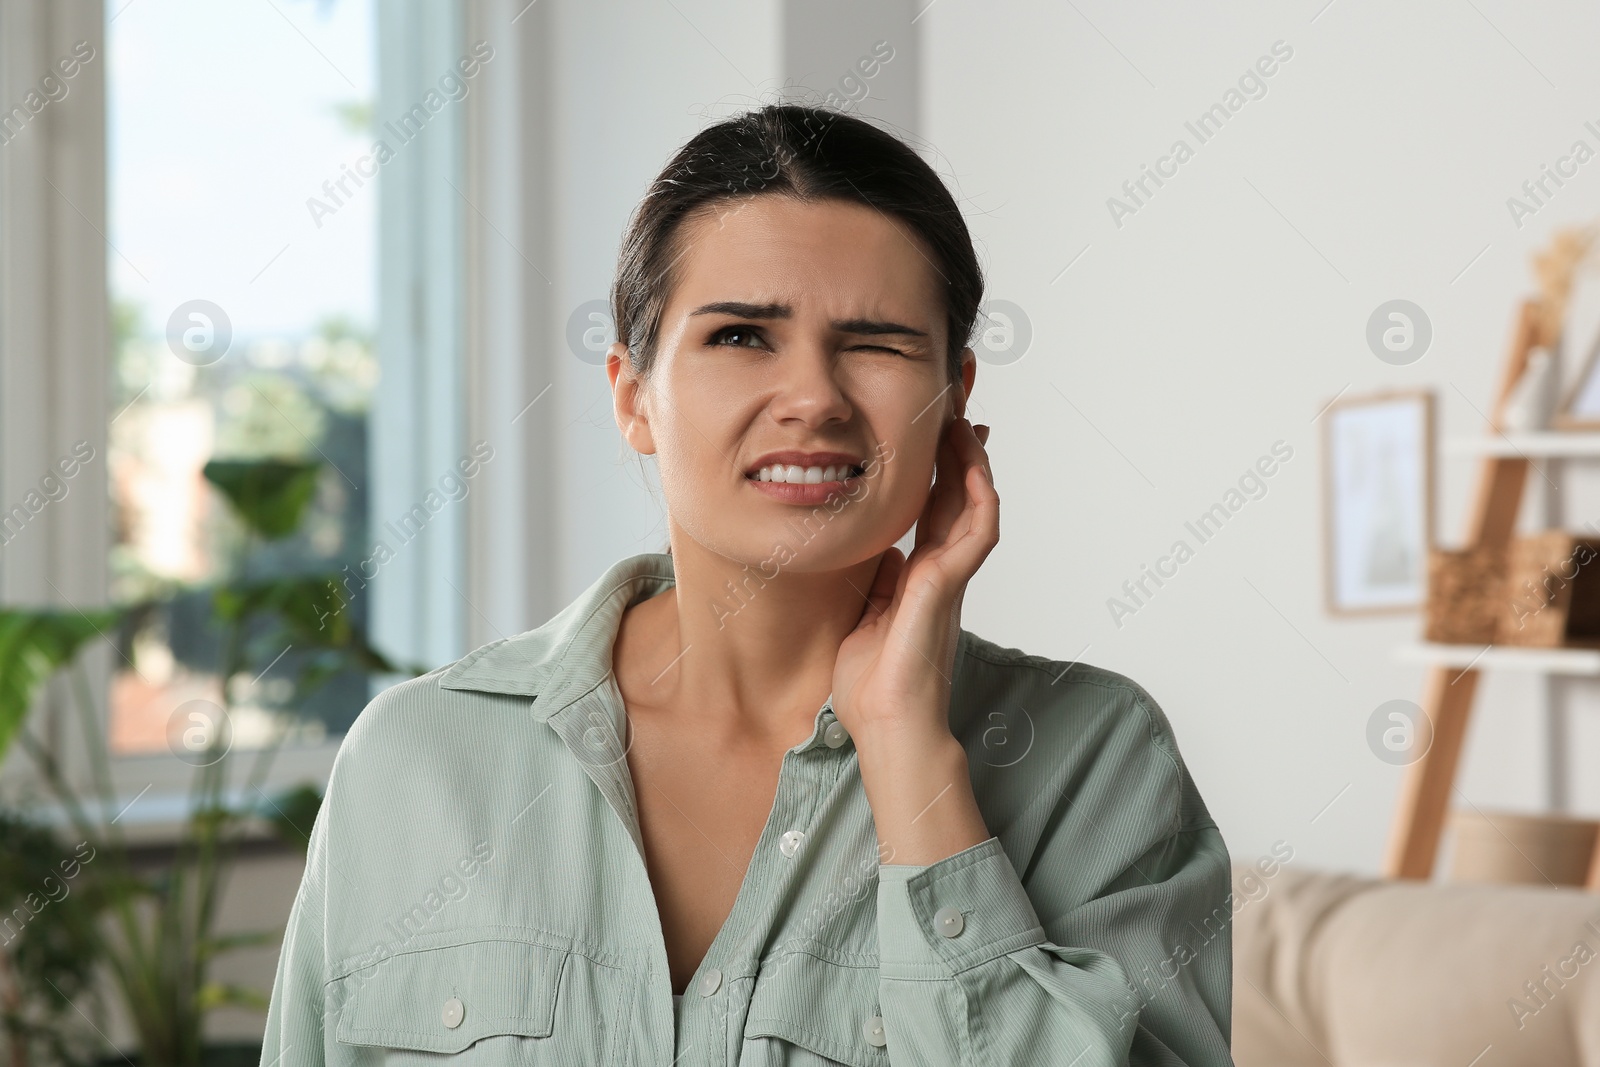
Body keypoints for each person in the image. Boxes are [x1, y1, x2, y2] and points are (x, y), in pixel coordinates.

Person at [259, 103, 1235, 1067]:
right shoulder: (416, 758)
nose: (813, 395)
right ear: (633, 395)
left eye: (876, 341)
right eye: (739, 335)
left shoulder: (1094, 760)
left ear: (954, 397)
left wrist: (906, 753)